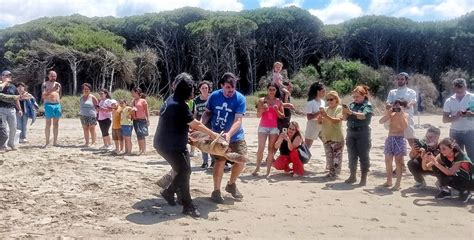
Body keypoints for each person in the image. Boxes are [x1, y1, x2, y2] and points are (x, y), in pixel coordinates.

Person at [154, 72, 220, 218]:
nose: (193, 92)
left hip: (169, 143)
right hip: (170, 146)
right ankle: (172, 194)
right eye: (191, 89)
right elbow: (195, 124)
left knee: (184, 171)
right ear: (185, 90)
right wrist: (213, 134)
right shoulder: (178, 105)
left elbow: (176, 122)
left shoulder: (171, 100)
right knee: (184, 171)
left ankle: (182, 200)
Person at [201, 72, 247, 204]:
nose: (230, 91)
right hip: (217, 136)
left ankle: (231, 184)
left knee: (241, 160)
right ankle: (216, 191)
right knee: (220, 162)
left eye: (233, 88)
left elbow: (238, 121)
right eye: (227, 88)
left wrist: (229, 134)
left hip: (235, 136)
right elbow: (207, 113)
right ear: (222, 85)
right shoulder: (214, 96)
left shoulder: (240, 99)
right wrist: (200, 126)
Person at [342, 85, 373, 186]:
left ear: (364, 96)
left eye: (357, 97)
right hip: (351, 132)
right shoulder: (352, 105)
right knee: (352, 155)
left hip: (362, 132)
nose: (355, 99)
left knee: (363, 155)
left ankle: (363, 177)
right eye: (354, 97)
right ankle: (352, 176)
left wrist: (351, 112)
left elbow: (363, 116)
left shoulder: (367, 105)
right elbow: (345, 119)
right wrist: (345, 113)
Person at [427, 137, 473, 203]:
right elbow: (427, 167)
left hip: (471, 181)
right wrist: (425, 157)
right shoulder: (444, 155)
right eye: (440, 149)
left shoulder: (460, 156)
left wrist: (435, 162)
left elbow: (450, 173)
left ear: (451, 148)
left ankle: (465, 192)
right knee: (436, 167)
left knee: (448, 178)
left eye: (444, 148)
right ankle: (446, 191)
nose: (441, 151)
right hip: (461, 178)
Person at [253, 82, 284, 177]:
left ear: (276, 91)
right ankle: (257, 167)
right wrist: (263, 109)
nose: (271, 91)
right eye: (270, 89)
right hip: (263, 126)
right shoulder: (262, 100)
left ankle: (268, 170)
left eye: (273, 90)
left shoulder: (279, 101)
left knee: (271, 149)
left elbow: (282, 116)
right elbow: (258, 116)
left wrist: (276, 110)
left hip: (274, 128)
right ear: (267, 90)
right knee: (260, 148)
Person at [379, 99, 408, 190]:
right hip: (390, 138)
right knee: (388, 160)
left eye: (398, 106)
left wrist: (401, 114)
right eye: (395, 106)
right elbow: (381, 121)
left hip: (399, 139)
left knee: (398, 162)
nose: (396, 108)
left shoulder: (405, 115)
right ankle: (389, 181)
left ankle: (398, 183)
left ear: (403, 107)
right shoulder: (391, 114)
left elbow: (405, 126)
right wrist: (388, 113)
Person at [442, 78, 474, 160]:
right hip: (455, 133)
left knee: (472, 156)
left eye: (461, 87)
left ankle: (472, 172)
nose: (459, 89)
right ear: (453, 87)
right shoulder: (449, 101)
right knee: (457, 157)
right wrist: (456, 116)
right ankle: (460, 173)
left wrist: (471, 114)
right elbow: (444, 120)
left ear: (465, 87)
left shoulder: (472, 97)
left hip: (471, 132)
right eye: (457, 87)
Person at [386, 72, 417, 148]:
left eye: (402, 79)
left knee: (411, 141)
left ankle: (417, 158)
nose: (400, 81)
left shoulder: (411, 92)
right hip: (394, 121)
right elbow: (387, 105)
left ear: (406, 80)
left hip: (408, 120)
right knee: (395, 143)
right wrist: (395, 107)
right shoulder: (392, 92)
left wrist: (402, 106)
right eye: (398, 79)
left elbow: (412, 103)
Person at [320, 91, 344, 178]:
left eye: (331, 99)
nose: (329, 101)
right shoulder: (326, 109)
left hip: (336, 137)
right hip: (327, 136)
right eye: (328, 99)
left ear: (336, 100)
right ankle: (331, 172)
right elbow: (320, 122)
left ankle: (336, 174)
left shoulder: (339, 108)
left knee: (336, 158)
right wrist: (320, 118)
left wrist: (326, 116)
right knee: (329, 157)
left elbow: (337, 120)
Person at [0, 70, 22, 150]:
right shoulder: (0, 86)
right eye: (6, 76)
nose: (8, 77)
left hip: (11, 110)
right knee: (4, 129)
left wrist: (19, 109)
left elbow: (16, 99)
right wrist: (5, 82)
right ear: (1, 76)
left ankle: (11, 143)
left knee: (13, 128)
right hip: (1, 109)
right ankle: (4, 145)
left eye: (9, 76)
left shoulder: (13, 87)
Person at [194, 80, 212, 168]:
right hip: (201, 124)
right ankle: (205, 162)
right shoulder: (196, 100)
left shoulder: (212, 97)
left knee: (212, 143)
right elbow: (195, 112)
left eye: (206, 88)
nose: (205, 90)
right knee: (203, 143)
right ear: (199, 89)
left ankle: (213, 161)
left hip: (211, 124)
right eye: (203, 88)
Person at [42, 70, 62, 147]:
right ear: (48, 76)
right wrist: (52, 90)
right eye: (52, 76)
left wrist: (51, 94)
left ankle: (55, 142)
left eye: (55, 76)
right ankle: (47, 142)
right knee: (48, 124)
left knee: (56, 124)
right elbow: (43, 95)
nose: (53, 77)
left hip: (57, 104)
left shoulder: (58, 84)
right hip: (48, 104)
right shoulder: (45, 84)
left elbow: (59, 95)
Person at [304, 82, 326, 149]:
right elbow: (309, 117)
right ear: (317, 91)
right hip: (312, 125)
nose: (324, 93)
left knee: (327, 143)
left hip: (322, 124)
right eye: (323, 91)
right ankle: (301, 159)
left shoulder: (323, 102)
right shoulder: (310, 103)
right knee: (307, 148)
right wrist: (319, 112)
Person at [131, 87, 150, 155]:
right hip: (135, 120)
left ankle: (143, 150)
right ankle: (140, 149)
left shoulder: (143, 101)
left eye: (132, 92)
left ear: (136, 92)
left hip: (142, 119)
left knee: (142, 135)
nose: (132, 93)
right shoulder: (133, 101)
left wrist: (148, 119)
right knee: (138, 135)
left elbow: (146, 110)